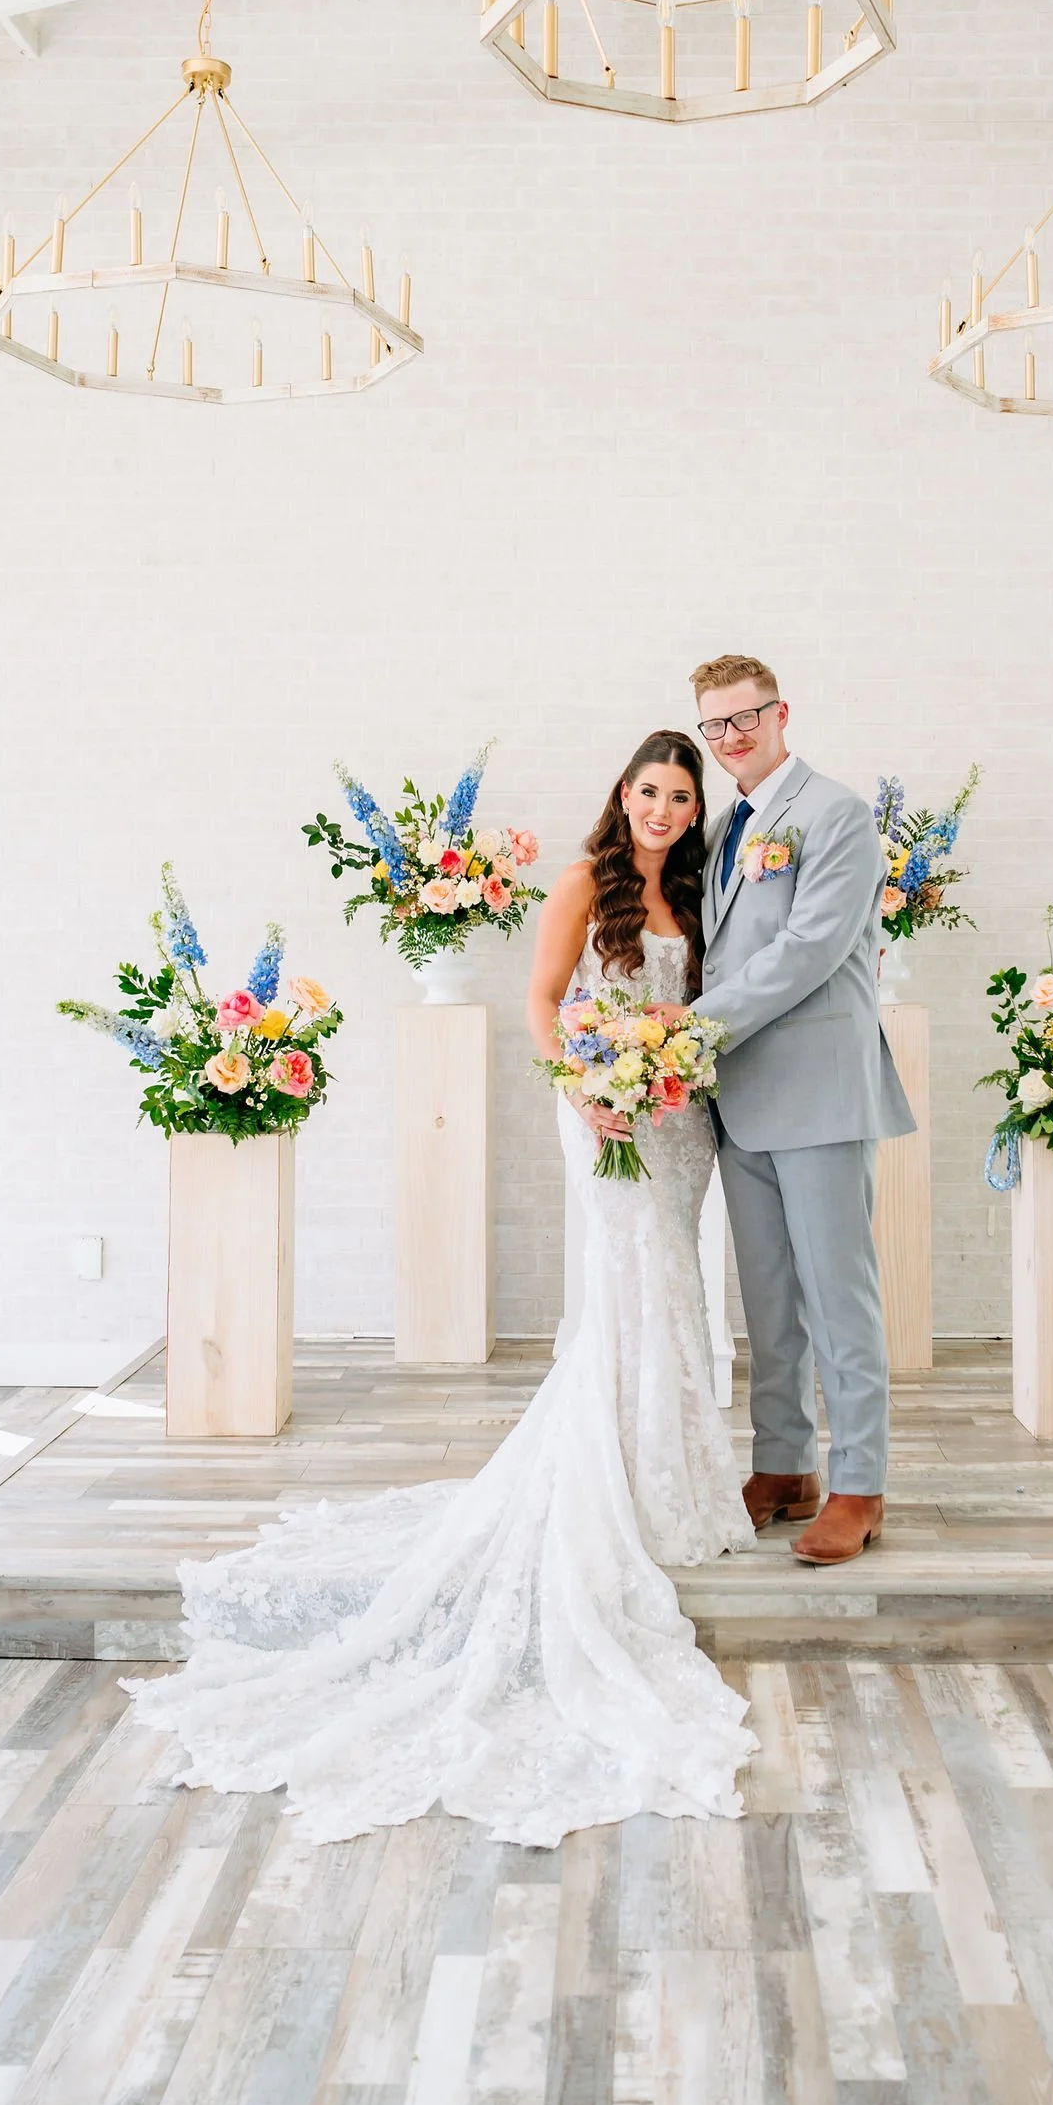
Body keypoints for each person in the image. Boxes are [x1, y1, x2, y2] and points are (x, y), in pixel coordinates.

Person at [128, 730, 756, 1847]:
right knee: (629, 1284)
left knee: (674, 1293)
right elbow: (541, 1000)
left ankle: (671, 1480)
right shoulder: (585, 881)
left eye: (679, 795)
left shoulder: (696, 897)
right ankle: (618, 1486)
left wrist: (665, 1074)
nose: (661, 808)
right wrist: (586, 1090)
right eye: (647, 791)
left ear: (693, 807)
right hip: (605, 1114)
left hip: (679, 1124)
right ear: (622, 793)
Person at [692, 654, 914, 1566]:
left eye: (745, 717)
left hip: (820, 1093)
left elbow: (810, 948)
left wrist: (688, 1025)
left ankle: (860, 1484)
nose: (732, 737)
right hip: (740, 1096)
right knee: (771, 1302)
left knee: (839, 1299)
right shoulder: (722, 832)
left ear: (781, 711)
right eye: (715, 725)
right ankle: (783, 1467)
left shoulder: (835, 814)